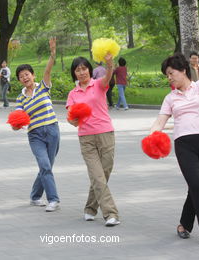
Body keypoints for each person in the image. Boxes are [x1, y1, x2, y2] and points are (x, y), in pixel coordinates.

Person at [150, 53, 199, 246]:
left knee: (198, 187)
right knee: (197, 185)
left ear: (183, 70)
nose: (169, 77)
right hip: (184, 144)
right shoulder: (170, 98)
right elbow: (160, 121)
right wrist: (151, 136)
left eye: (171, 73)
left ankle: (184, 224)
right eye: (166, 75)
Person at [66, 54, 120, 227]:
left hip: (105, 133)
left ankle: (90, 208)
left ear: (89, 69)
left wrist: (110, 64)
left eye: (84, 68)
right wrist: (72, 121)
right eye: (77, 70)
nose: (81, 72)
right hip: (86, 138)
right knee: (97, 176)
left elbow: (109, 76)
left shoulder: (98, 84)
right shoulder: (73, 94)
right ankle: (111, 213)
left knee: (103, 174)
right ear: (74, 74)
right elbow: (71, 117)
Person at [13, 38, 60, 212]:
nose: (25, 77)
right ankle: (53, 199)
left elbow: (48, 69)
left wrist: (53, 53)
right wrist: (15, 125)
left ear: (33, 75)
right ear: (19, 80)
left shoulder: (43, 87)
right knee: (45, 165)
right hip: (35, 135)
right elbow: (18, 117)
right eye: (21, 76)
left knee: (46, 166)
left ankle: (34, 197)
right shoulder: (20, 98)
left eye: (27, 74)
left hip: (53, 130)